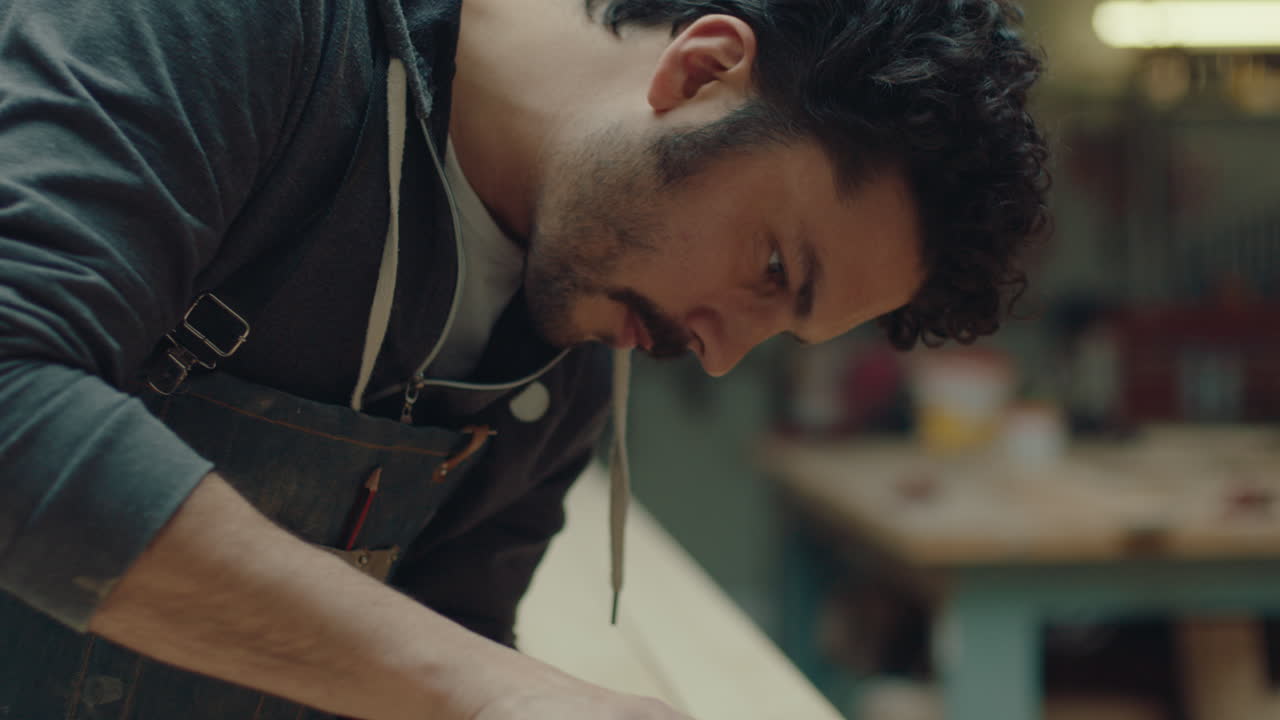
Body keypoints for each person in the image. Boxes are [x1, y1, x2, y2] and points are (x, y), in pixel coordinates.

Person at [0, 0, 1049, 716]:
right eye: (773, 267)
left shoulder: (564, 355)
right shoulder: (254, 33)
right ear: (701, 70)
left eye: (781, 330)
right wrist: (497, 690)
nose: (720, 354)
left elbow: (417, 674)